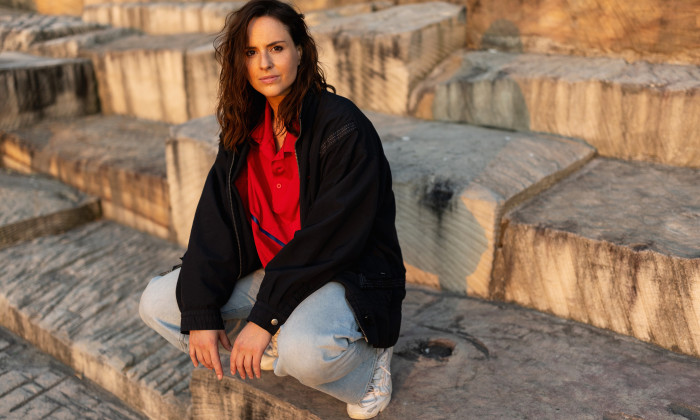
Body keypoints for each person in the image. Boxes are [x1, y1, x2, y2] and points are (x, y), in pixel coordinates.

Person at [139, 0, 405, 418]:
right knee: (161, 305)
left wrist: (264, 320)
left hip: (342, 272)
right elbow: (216, 226)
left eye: (277, 48)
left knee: (304, 353)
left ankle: (371, 365)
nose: (264, 62)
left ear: (300, 50)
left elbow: (330, 241)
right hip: (274, 269)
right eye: (250, 52)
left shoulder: (343, 129)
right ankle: (282, 334)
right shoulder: (244, 127)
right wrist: (202, 311)